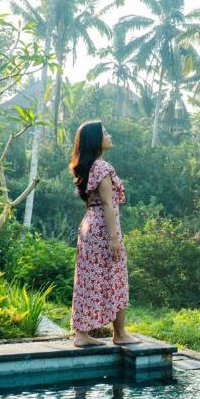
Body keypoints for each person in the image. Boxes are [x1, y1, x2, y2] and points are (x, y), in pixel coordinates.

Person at [69, 121, 138, 346]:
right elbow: (108, 204)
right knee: (116, 276)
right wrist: (114, 238)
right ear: (95, 139)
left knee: (88, 279)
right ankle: (119, 334)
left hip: (90, 226)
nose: (109, 135)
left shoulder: (88, 166)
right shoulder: (102, 167)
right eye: (105, 133)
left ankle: (81, 334)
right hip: (103, 229)